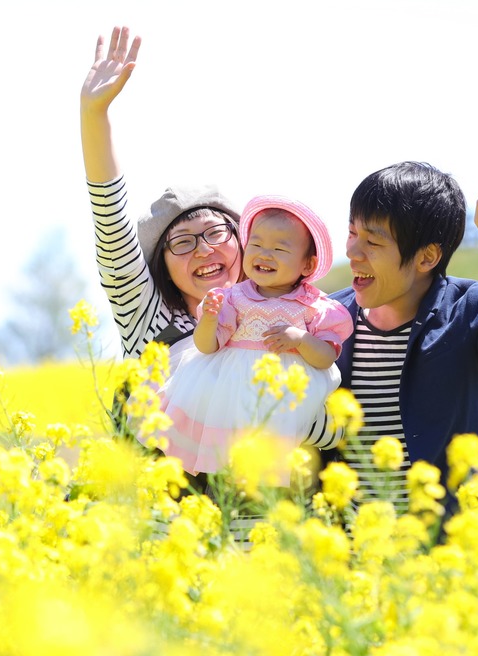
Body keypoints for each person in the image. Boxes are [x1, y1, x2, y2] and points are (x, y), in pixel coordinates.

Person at [323, 157, 478, 548]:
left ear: (427, 257)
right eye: (352, 233)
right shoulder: (328, 318)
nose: (353, 251)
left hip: (463, 547)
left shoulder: (469, 309)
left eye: (373, 241)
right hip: (358, 557)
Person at [81, 26, 244, 368]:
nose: (203, 249)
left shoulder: (284, 311)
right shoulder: (148, 318)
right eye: (182, 243)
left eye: (216, 233)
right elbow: (110, 220)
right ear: (163, 268)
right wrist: (94, 115)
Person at [161, 196, 353, 476]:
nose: (264, 254)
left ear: (307, 266)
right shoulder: (233, 297)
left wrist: (300, 339)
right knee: (225, 462)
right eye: (256, 244)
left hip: (286, 396)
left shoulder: (314, 306)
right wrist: (210, 321)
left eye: (279, 248)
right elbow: (207, 346)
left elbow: (326, 357)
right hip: (231, 391)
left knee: (277, 463)